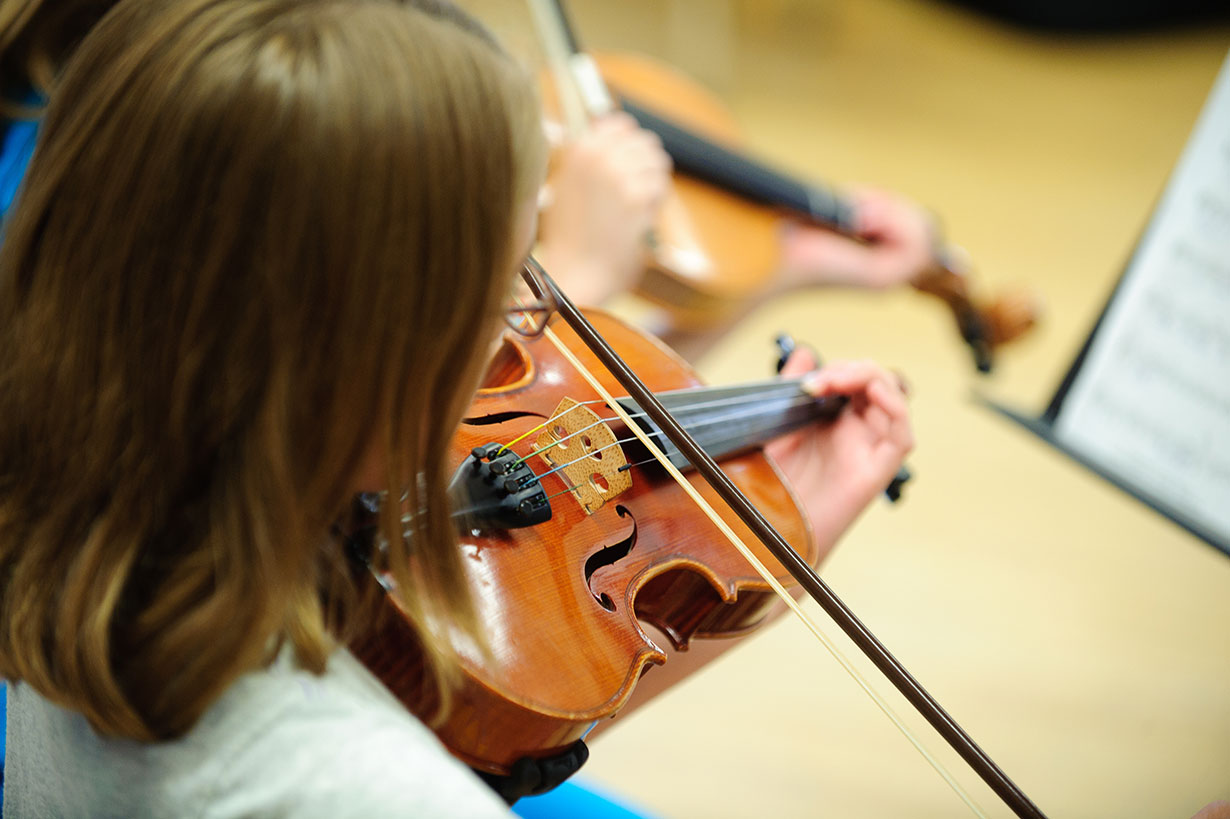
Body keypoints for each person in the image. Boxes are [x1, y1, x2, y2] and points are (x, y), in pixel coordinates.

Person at [0, 0, 914, 816]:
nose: (529, 329)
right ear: (359, 360)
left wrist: (766, 538)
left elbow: (476, 702)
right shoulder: (362, 784)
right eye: (499, 295)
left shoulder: (111, 473)